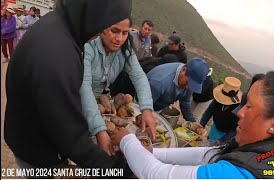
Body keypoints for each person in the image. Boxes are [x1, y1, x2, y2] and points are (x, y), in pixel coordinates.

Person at [4, 0, 134, 177]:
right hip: (35, 150)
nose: (100, 32)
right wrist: (119, 171)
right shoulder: (57, 56)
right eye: (103, 24)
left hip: (24, 131)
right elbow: (71, 138)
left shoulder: (57, 23)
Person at [111, 71, 274, 179]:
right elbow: (211, 154)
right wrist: (152, 153)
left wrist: (127, 141)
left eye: (250, 107)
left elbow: (158, 175)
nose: (240, 112)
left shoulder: (243, 174)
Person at [80, 17, 156, 154]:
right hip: (80, 101)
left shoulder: (125, 51)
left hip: (100, 102)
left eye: (124, 33)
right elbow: (84, 87)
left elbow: (139, 76)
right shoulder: (88, 49)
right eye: (114, 31)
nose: (119, 39)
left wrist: (146, 109)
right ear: (102, 29)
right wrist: (99, 130)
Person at [146, 57, 209, 122]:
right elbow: (143, 105)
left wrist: (192, 122)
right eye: (187, 83)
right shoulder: (159, 82)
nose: (187, 88)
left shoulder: (189, 79)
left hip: (158, 108)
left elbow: (185, 102)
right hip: (144, 105)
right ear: (183, 70)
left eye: (192, 85)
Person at [199, 77, 242, 145]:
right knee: (209, 143)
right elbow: (209, 111)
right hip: (215, 128)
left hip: (226, 134)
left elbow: (234, 130)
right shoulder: (218, 99)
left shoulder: (238, 109)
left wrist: (222, 140)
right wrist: (202, 123)